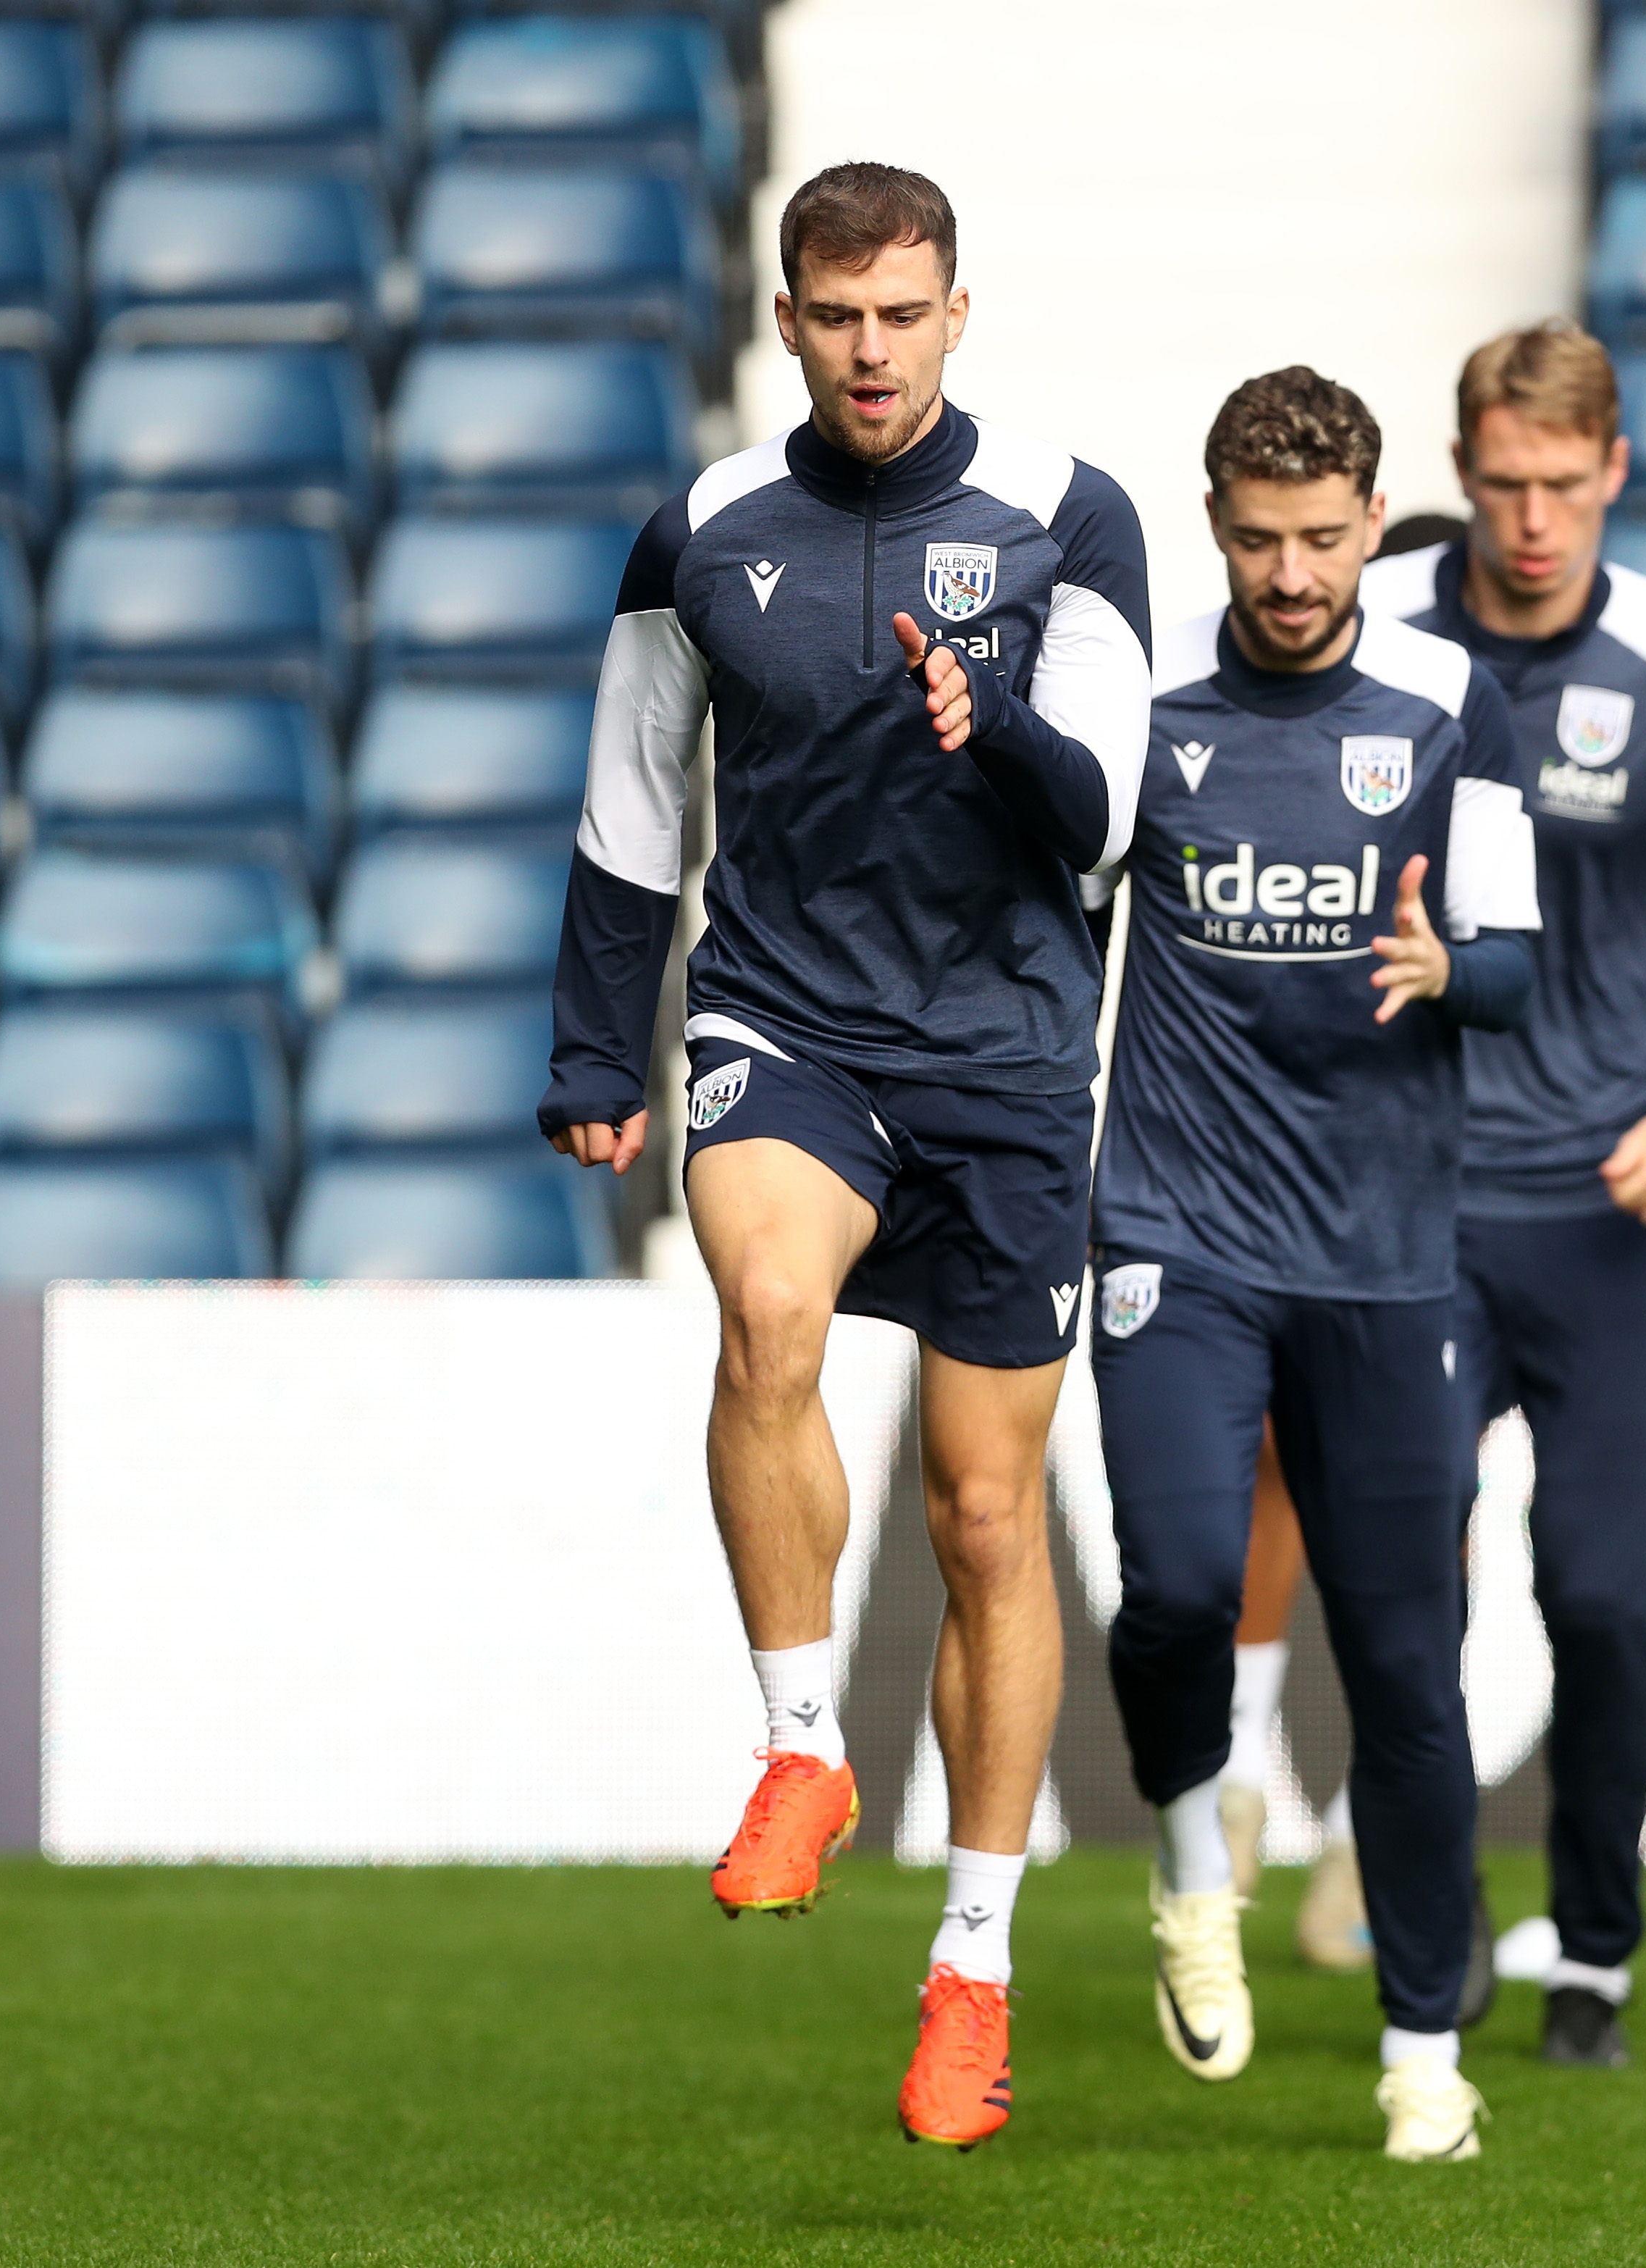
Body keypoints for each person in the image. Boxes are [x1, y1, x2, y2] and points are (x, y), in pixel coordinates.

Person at [537, 162, 1150, 2152]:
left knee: (988, 1523)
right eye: (835, 314)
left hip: (1007, 1056)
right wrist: (589, 1047)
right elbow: (636, 807)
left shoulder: (1071, 518)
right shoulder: (702, 531)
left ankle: (971, 1962)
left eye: (903, 311)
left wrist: (1001, 739)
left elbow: (1110, 818)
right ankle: (801, 1745)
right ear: (787, 321)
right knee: (767, 1304)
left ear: (957, 312)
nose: (870, 348)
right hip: (785, 1018)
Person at [1231, 321, 1646, 2068]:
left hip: (1604, 1215)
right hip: (1411, 1207)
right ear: (1459, 476)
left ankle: (1599, 1950)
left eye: (1564, 487)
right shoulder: (1386, 639)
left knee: (1594, 1598)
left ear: (1614, 475)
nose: (1533, 520)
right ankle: (1429, 1928)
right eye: (1501, 485)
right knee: (1406, 1583)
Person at [1093, 367, 1540, 2161]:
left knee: (1410, 1672)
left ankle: (1424, 2043)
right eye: (1261, 539)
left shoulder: (1451, 704)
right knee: (1185, 1584)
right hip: (1175, 1232)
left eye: (1325, 536)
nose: (1291, 572)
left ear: (1373, 522)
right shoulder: (1142, 708)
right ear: (1218, 526)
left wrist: (1452, 969)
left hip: (1378, 1257)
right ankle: (1195, 1858)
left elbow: (1512, 959)